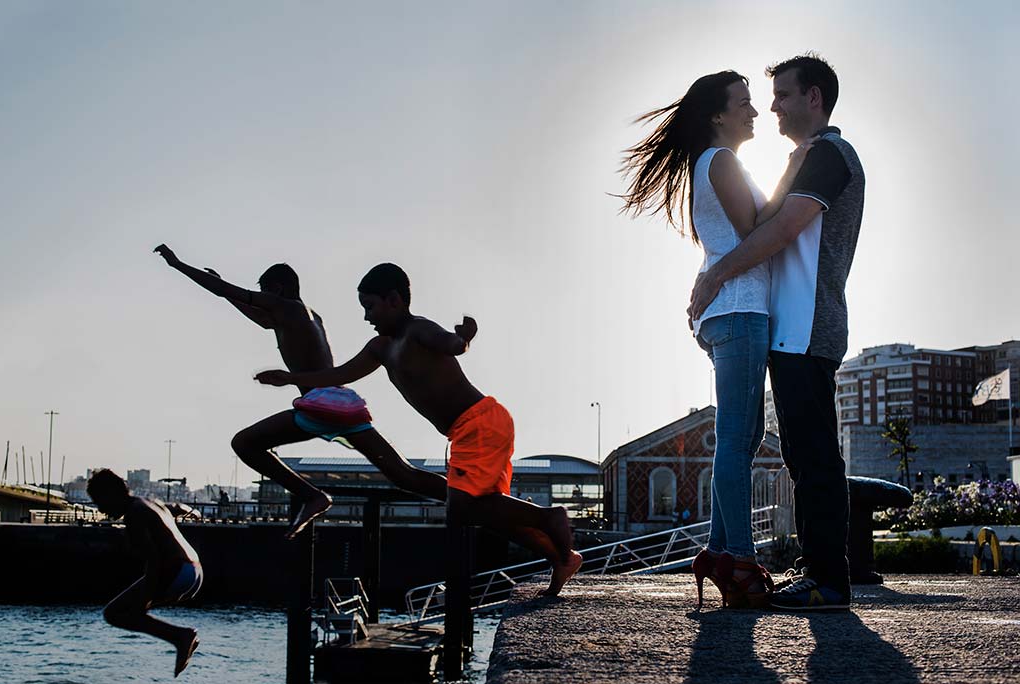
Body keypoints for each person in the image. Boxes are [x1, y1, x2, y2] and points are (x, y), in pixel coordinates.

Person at [254, 263, 584, 596]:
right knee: (491, 512)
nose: (367, 317)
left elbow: (451, 344)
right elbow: (339, 376)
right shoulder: (380, 347)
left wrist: (464, 338)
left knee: (463, 508)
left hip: (480, 421)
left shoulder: (418, 329)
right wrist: (290, 379)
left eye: (370, 307)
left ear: (394, 300)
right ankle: (561, 557)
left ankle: (549, 517)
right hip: (467, 429)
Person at [619, 70, 811, 609]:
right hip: (740, 310)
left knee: (744, 438)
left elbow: (744, 230)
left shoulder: (713, 163)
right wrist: (794, 172)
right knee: (734, 439)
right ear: (718, 115)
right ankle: (741, 560)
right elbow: (756, 230)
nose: (754, 113)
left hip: (731, 311)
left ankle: (717, 550)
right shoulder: (721, 161)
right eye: (744, 104)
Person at [689, 54, 865, 611]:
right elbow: (767, 221)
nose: (772, 107)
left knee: (813, 454)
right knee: (799, 450)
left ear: (813, 98)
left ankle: (828, 578)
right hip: (787, 326)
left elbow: (782, 229)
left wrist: (715, 274)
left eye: (783, 95)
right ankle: (814, 571)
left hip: (807, 324)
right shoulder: (805, 159)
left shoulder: (829, 156)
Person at [154, 245, 447, 539]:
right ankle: (466, 496)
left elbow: (223, 291)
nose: (264, 303)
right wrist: (231, 294)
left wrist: (177, 264)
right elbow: (258, 315)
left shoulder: (288, 308)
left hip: (321, 404)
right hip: (342, 404)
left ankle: (313, 496)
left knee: (244, 444)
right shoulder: (303, 316)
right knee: (402, 475)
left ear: (278, 290)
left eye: (267, 295)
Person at [87, 469, 202, 678]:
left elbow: (154, 560)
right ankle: (180, 636)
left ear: (113, 494)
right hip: (194, 572)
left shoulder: (134, 515)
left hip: (176, 570)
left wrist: (144, 602)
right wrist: (193, 512)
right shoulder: (150, 502)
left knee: (114, 614)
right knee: (128, 612)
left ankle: (181, 636)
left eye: (100, 501)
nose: (101, 509)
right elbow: (178, 507)